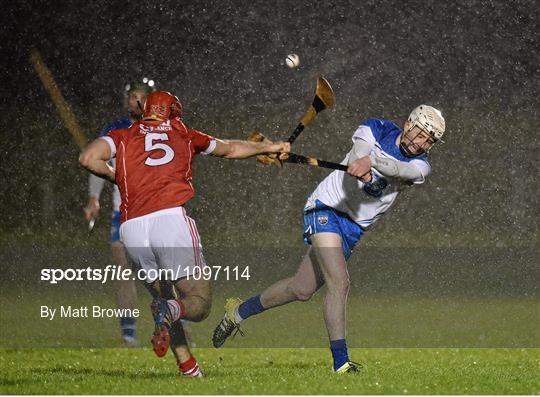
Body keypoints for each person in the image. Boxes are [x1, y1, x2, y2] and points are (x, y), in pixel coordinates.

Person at [212, 105, 446, 373]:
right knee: (340, 282)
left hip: (353, 228)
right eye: (420, 133)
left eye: (429, 140)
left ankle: (237, 313)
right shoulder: (376, 128)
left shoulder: (421, 166)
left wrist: (373, 162)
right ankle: (341, 364)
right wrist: (362, 159)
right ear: (408, 123)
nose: (421, 143)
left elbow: (400, 170)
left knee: (301, 289)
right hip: (326, 207)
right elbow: (359, 150)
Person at [79, 90, 291, 377]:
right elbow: (229, 149)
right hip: (170, 221)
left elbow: (88, 157)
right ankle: (173, 318)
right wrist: (269, 146)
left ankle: (188, 367)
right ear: (173, 112)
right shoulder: (183, 132)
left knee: (164, 300)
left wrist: (120, 176)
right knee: (198, 304)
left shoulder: (123, 134)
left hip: (132, 229)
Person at [84, 79, 155, 346]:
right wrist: (94, 199)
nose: (136, 101)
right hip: (122, 211)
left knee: (164, 274)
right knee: (123, 272)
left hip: (157, 211)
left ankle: (176, 326)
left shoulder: (163, 127)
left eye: (142, 96)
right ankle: (129, 334)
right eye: (132, 96)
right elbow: (96, 160)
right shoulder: (115, 128)